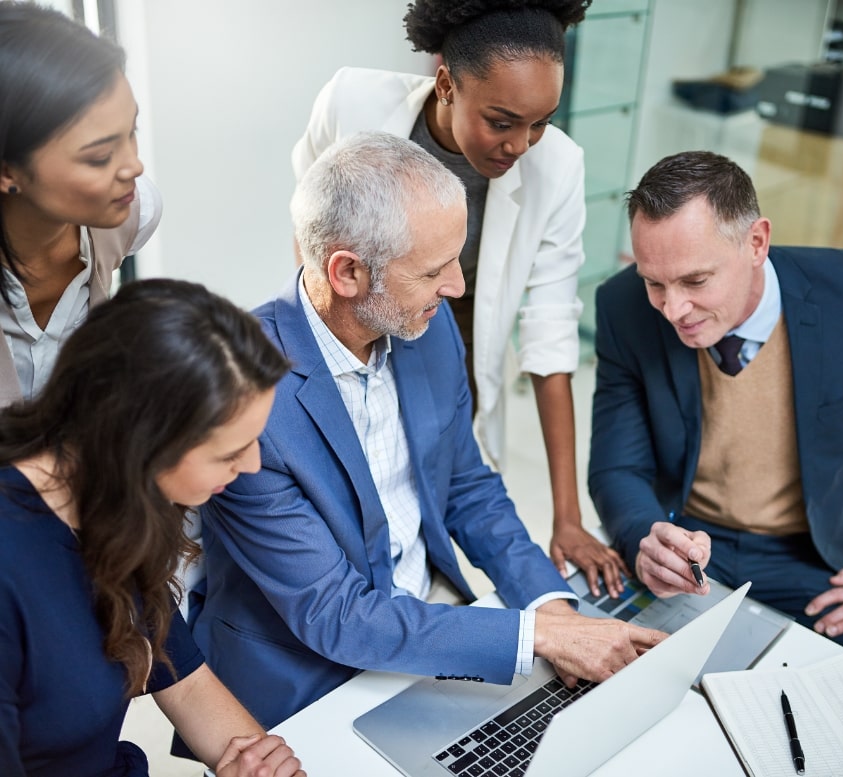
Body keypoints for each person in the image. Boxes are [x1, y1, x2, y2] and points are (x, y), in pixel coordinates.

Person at [194, 132, 663, 732]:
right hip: (305, 678)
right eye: (434, 270)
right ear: (347, 273)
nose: (457, 288)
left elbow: (467, 483)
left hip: (430, 618)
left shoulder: (425, 325)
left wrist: (553, 607)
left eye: (457, 261)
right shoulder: (246, 395)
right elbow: (337, 616)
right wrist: (536, 635)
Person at [290, 0, 628, 597]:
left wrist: (567, 516)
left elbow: (549, 338)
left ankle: (409, 588)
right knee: (342, 479)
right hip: (361, 306)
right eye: (501, 121)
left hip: (463, 323)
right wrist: (328, 343)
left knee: (432, 473)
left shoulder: (559, 167)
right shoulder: (353, 102)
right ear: (446, 82)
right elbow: (312, 223)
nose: (521, 144)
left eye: (541, 122)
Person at [587, 150, 843, 649]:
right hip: (689, 541)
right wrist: (649, 542)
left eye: (696, 280)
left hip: (823, 562)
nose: (673, 309)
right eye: (654, 283)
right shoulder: (622, 307)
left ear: (756, 243)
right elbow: (617, 467)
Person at [0, 278, 306, 777]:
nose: (252, 464)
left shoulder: (119, 506)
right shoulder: (12, 563)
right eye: (229, 452)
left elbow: (183, 679)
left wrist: (261, 766)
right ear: (141, 445)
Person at [0, 1, 161, 407]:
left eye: (132, 131)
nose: (134, 166)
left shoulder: (135, 212)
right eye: (100, 157)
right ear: (7, 171)